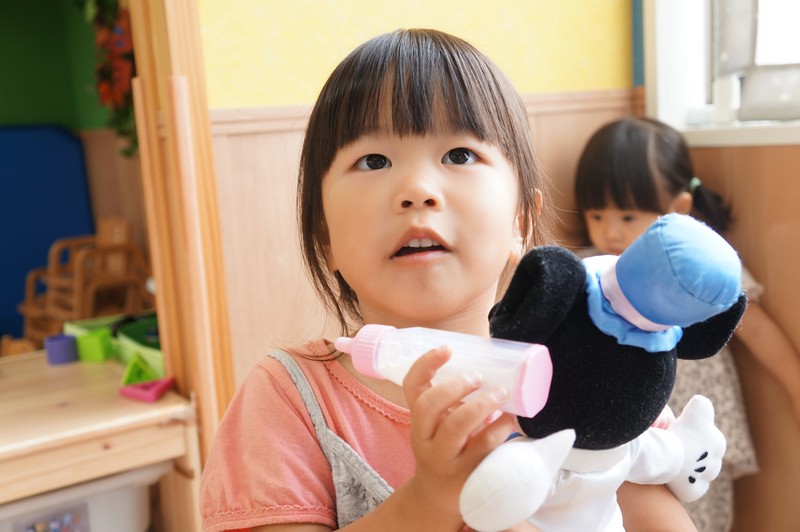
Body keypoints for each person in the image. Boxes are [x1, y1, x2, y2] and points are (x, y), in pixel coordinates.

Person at [200, 30, 698, 532]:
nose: (417, 190)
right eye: (373, 161)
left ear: (521, 221)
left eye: (459, 155)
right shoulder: (287, 397)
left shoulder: (589, 366)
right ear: (324, 237)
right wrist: (429, 501)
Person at [573, 116, 800, 532]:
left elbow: (757, 331)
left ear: (676, 209)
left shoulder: (701, 269)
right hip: (628, 427)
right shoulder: (592, 269)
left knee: (700, 509)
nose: (610, 233)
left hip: (697, 423)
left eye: (627, 217)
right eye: (597, 215)